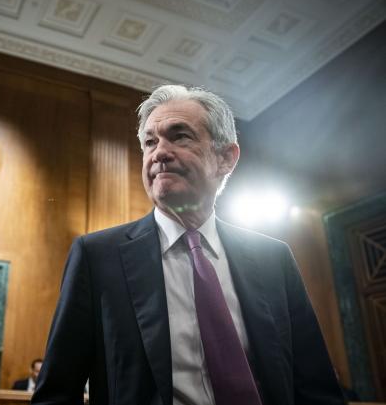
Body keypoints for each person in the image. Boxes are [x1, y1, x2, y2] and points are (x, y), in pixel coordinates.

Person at [32, 84, 345, 405]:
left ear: (225, 158)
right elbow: (57, 393)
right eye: (150, 142)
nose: (159, 153)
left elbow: (316, 386)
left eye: (179, 136)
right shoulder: (97, 257)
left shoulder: (273, 258)